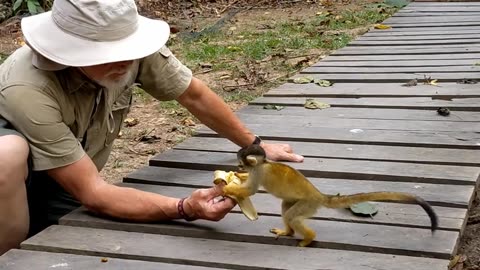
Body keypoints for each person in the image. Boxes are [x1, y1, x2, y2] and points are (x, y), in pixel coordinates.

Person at [0, 0, 304, 255]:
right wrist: (184, 207)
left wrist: (254, 146)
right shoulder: (28, 88)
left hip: (65, 176)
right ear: (68, 50)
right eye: (107, 54)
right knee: (6, 156)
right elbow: (93, 192)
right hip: (15, 184)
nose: (126, 61)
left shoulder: (130, 52)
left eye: (128, 49)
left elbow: (192, 94)